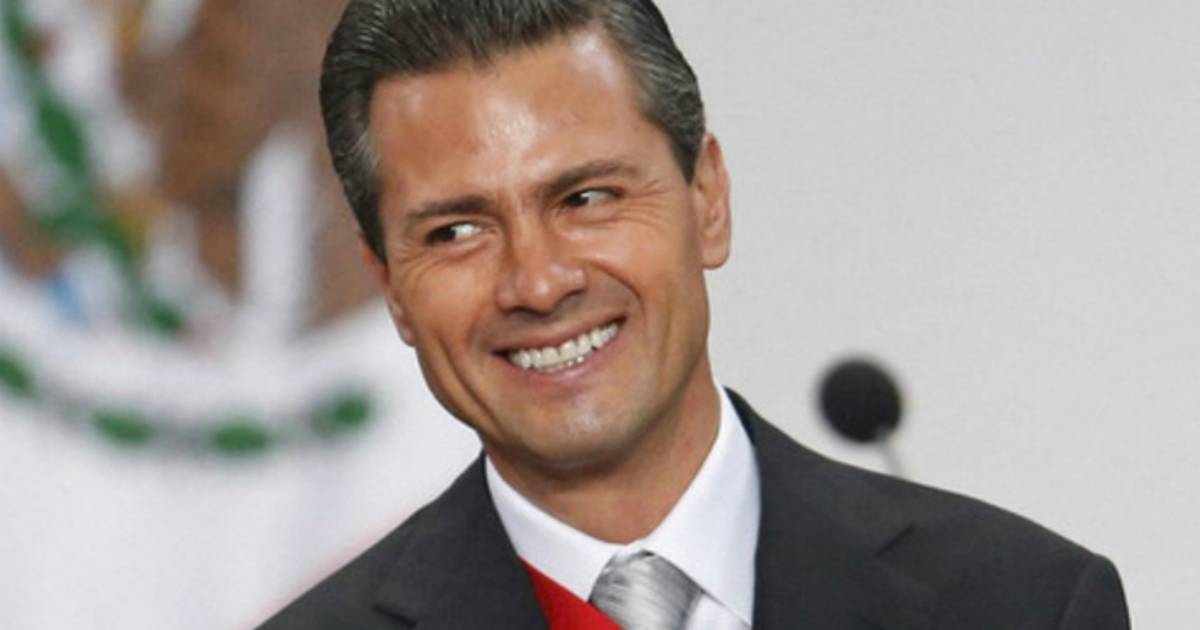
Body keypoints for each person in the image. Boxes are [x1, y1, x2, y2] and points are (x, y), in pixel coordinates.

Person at [261, 1, 1130, 628]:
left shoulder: (1020, 603)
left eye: (587, 197)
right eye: (456, 231)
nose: (539, 282)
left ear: (708, 198)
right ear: (390, 285)